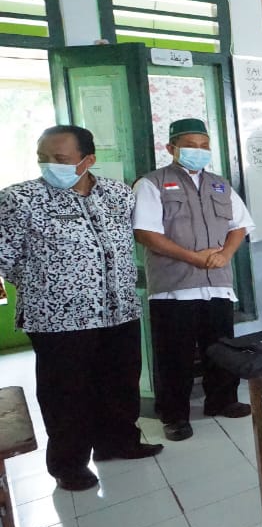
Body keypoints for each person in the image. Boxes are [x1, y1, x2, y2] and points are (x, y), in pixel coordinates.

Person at [0, 126, 162, 491]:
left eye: (60, 159)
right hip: (58, 318)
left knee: (120, 381)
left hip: (118, 309)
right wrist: (47, 282)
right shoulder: (20, 199)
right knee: (67, 393)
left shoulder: (118, 195)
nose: (49, 165)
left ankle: (119, 442)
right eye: (43, 158)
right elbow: (4, 258)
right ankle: (69, 464)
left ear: (88, 160)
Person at [134, 118, 255, 442]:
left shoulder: (220, 184)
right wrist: (194, 257)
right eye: (190, 146)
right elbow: (145, 232)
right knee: (174, 354)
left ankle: (223, 400)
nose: (198, 152)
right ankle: (174, 415)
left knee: (221, 347)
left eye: (204, 146)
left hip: (217, 280)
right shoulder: (152, 183)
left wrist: (225, 255)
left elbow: (239, 225)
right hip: (173, 286)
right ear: (171, 148)